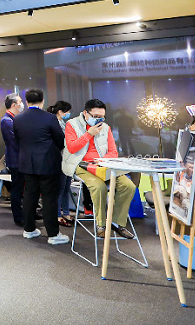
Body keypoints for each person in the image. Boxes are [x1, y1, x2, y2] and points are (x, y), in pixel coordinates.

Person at [64, 98, 136, 239]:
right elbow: (72, 148)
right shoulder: (72, 124)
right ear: (86, 113)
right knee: (99, 187)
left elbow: (113, 152)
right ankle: (101, 225)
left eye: (102, 117)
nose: (99, 120)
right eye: (95, 116)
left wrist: (102, 161)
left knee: (129, 186)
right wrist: (89, 134)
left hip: (103, 165)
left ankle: (116, 222)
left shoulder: (106, 128)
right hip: (81, 164)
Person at [13, 89, 69, 245]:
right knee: (49, 198)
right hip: (48, 163)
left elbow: (18, 140)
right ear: (42, 101)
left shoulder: (17, 118)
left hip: (27, 163)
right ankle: (53, 234)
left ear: (26, 102)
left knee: (29, 197)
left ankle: (29, 229)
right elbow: (60, 140)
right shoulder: (50, 118)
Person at [47, 101, 74, 228]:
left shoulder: (63, 123)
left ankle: (66, 213)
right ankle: (58, 215)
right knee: (60, 189)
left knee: (66, 188)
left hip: (68, 158)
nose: (69, 114)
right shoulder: (54, 123)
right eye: (67, 111)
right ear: (60, 112)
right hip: (60, 159)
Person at [0, 93, 25, 226]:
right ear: (14, 105)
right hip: (16, 160)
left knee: (23, 188)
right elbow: (14, 141)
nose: (22, 104)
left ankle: (27, 213)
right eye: (20, 102)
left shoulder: (15, 119)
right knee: (17, 189)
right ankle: (18, 217)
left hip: (22, 159)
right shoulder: (7, 121)